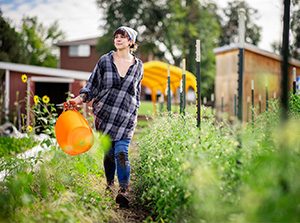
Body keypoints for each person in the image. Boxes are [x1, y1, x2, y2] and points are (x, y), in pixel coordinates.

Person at [67, 26, 143, 208]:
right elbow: (92, 84)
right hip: (105, 115)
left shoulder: (138, 66)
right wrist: (79, 99)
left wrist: (136, 110)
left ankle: (123, 190)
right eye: (116, 36)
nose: (118, 39)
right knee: (109, 154)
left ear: (131, 42)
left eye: (123, 37)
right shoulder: (105, 61)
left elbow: (136, 92)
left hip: (126, 116)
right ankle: (109, 184)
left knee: (122, 152)